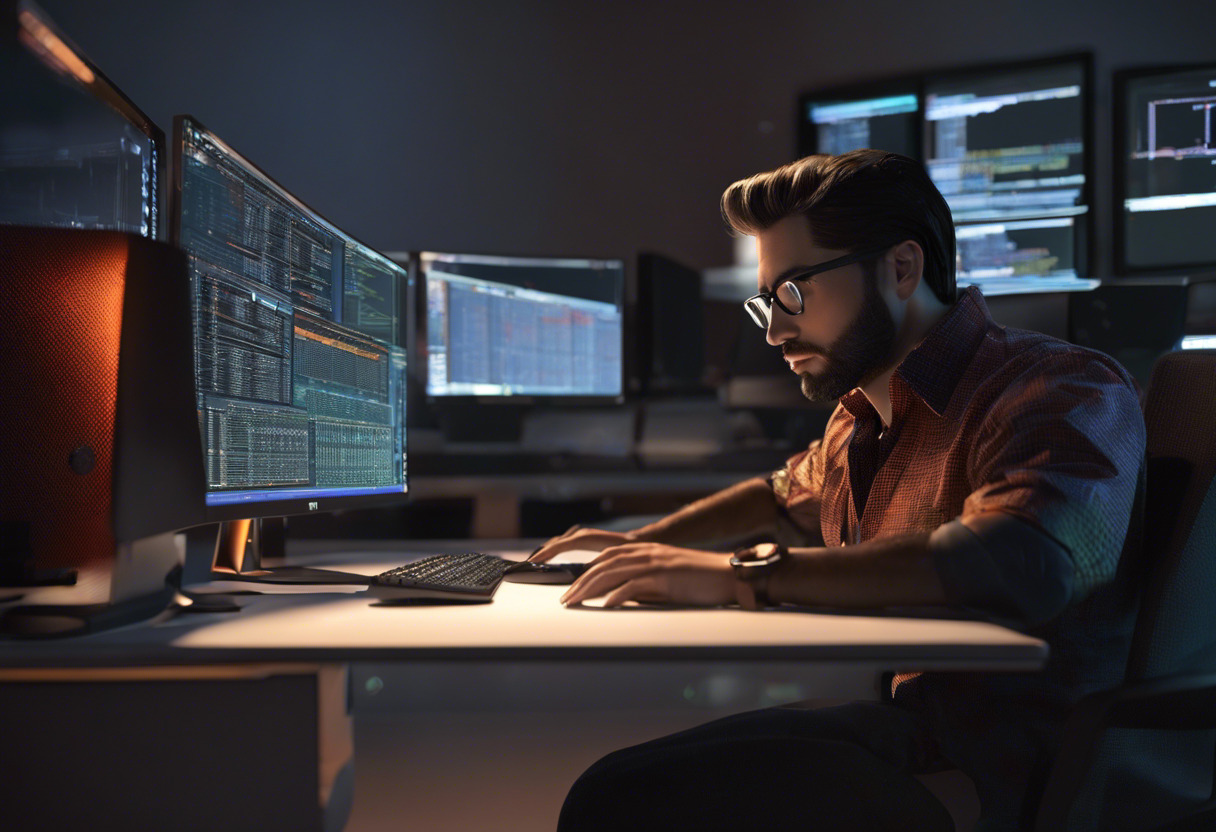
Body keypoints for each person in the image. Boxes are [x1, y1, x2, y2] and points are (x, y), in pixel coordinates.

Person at [532, 150, 1146, 831]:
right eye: (766, 300)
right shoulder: (860, 413)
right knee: (609, 785)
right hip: (913, 727)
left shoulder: (1061, 387)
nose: (773, 329)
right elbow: (779, 497)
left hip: (1005, 774)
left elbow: (1020, 560)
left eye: (794, 292)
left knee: (617, 804)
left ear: (902, 268)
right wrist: (638, 547)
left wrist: (741, 578)